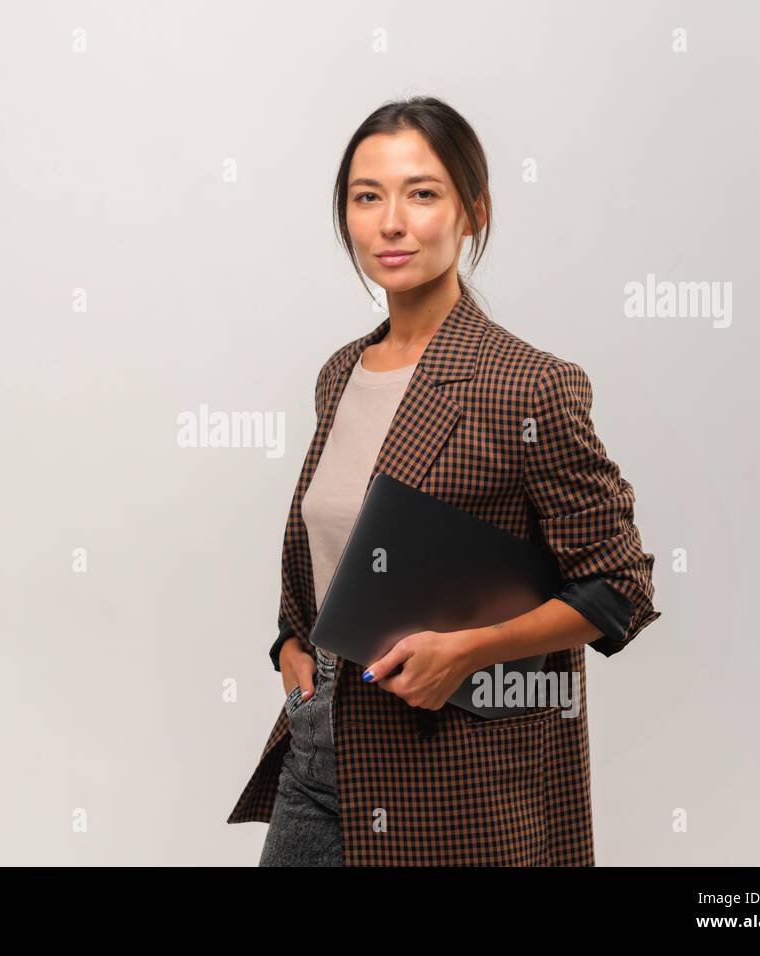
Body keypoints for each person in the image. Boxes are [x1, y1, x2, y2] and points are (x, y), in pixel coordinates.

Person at [226, 96, 663, 866]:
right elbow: (331, 548)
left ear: (472, 213)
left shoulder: (527, 385)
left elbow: (619, 587)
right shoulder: (340, 375)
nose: (392, 222)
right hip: (320, 747)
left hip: (457, 771)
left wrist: (470, 651)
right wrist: (291, 646)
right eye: (368, 197)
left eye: (422, 193)